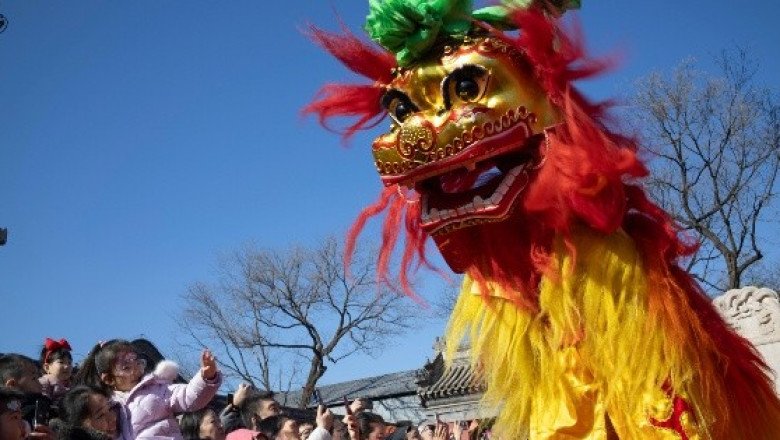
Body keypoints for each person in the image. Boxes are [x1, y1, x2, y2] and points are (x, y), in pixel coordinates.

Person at [73, 340, 221, 440]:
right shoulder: (110, 405)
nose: (136, 369)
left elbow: (188, 396)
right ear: (109, 379)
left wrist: (206, 377)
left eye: (137, 362)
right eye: (126, 367)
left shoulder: (157, 388)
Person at [0, 354, 53, 440]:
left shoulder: (46, 406)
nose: (40, 383)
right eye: (34, 378)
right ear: (12, 385)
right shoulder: (30, 410)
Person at [38, 339, 73, 405]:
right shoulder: (44, 382)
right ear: (47, 367)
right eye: (61, 362)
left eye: (69, 363)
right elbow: (43, 401)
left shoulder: (72, 385)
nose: (67, 366)